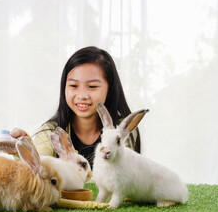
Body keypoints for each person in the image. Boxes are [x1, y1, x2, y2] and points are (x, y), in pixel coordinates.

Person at [10, 46, 141, 168]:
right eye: (73, 86)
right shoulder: (49, 132)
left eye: (92, 87)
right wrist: (25, 149)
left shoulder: (121, 132)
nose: (82, 95)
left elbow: (122, 177)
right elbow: (40, 170)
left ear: (110, 89)